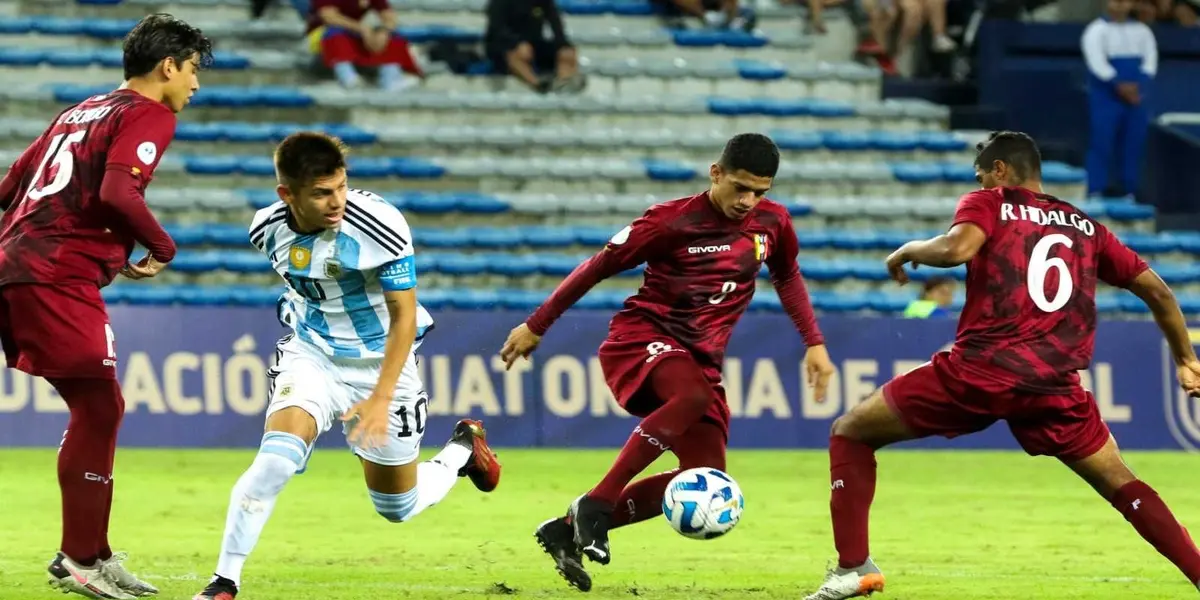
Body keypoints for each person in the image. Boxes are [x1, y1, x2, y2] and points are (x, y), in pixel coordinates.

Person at [802, 131, 1200, 600]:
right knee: (1121, 482)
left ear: (999, 171)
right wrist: (1186, 359)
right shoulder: (1085, 227)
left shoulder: (989, 201)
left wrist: (908, 250)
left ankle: (854, 567)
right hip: (1053, 385)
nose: (978, 181)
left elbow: (955, 250)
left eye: (981, 174)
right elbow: (1157, 291)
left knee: (850, 431)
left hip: (981, 371)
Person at [500, 133, 835, 592]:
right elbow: (598, 266)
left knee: (702, 476)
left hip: (702, 360)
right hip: (643, 339)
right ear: (715, 173)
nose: (748, 201)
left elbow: (787, 274)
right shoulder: (669, 222)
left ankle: (563, 529)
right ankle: (597, 502)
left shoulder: (772, 223)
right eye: (740, 187)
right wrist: (538, 323)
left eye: (760, 191)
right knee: (690, 396)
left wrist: (813, 343)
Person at [191, 132, 502, 600]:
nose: (336, 201)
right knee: (275, 461)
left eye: (340, 186)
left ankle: (461, 450)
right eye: (320, 193)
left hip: (382, 365)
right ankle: (224, 582)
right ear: (287, 195)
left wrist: (378, 399)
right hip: (312, 354)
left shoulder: (380, 225)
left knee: (398, 507)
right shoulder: (265, 228)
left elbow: (403, 317)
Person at [0, 13, 210, 600]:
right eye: (192, 70)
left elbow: (10, 186)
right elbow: (120, 191)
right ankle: (80, 557)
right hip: (55, 272)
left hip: (21, 264)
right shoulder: (150, 114)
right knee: (98, 407)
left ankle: (93, 551)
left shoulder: (79, 111)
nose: (194, 84)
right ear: (168, 66)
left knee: (99, 406)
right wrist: (163, 245)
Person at [1082, 0, 1157, 198]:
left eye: (1124, 2)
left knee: (1133, 144)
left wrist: (1138, 84)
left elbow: (1150, 60)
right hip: (1106, 96)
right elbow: (1096, 61)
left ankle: (1129, 191)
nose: (1119, 6)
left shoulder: (1142, 31)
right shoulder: (1096, 30)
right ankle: (1095, 190)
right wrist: (1118, 83)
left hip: (1135, 94)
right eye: (1116, 1)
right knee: (1102, 142)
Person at [306, 0, 422, 91]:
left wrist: (384, 31)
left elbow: (389, 16)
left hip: (351, 31)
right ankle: (348, 78)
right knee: (335, 34)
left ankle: (390, 79)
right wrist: (362, 28)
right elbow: (328, 16)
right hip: (320, 34)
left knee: (392, 37)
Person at [485, 0, 584, 94]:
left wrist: (563, 45)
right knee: (521, 53)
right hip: (502, 45)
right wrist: (516, 42)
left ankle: (563, 85)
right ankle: (538, 84)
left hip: (534, 43)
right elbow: (496, 28)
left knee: (567, 53)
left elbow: (555, 23)